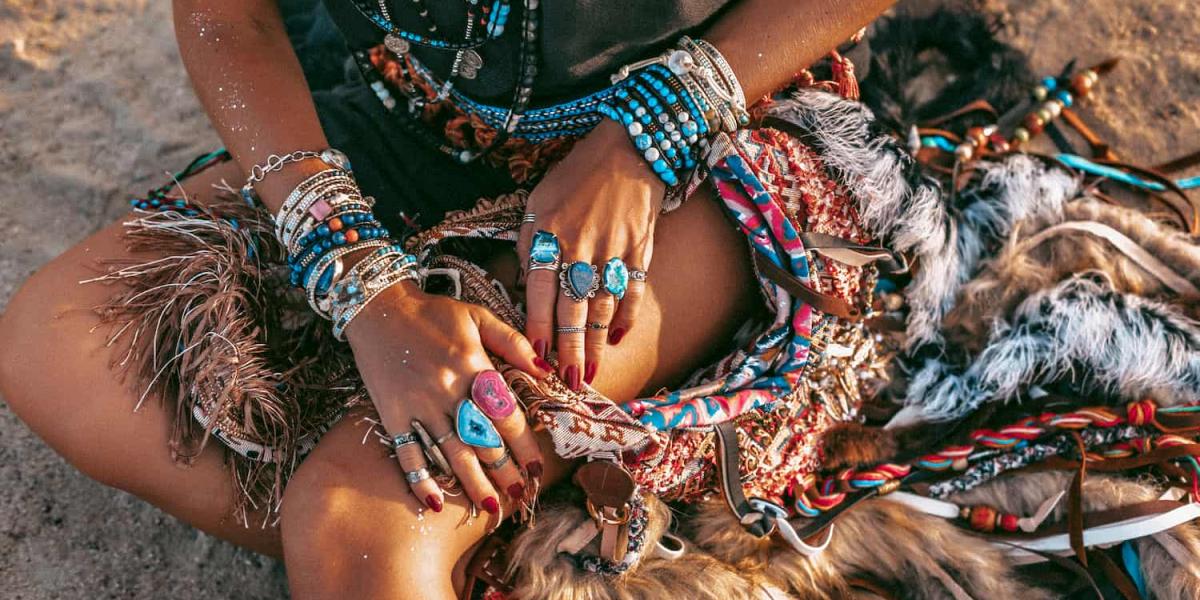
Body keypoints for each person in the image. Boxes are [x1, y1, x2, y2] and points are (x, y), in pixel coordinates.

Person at [0, 0, 893, 597]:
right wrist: (364, 288)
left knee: (357, 522)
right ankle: (519, 534)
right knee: (55, 348)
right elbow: (226, 15)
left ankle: (446, 530)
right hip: (392, 121)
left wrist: (647, 130)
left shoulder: (673, 138)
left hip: (690, 158)